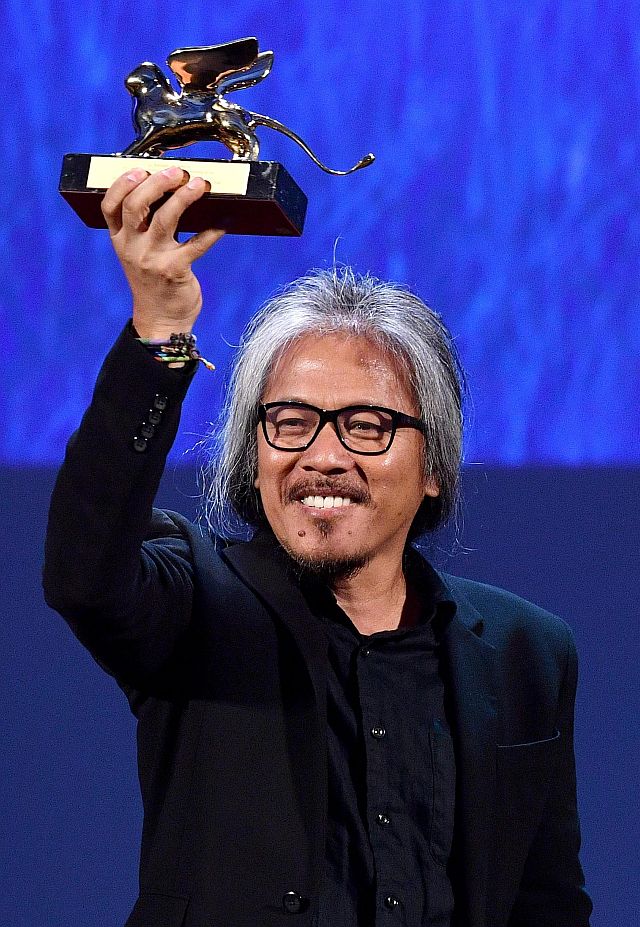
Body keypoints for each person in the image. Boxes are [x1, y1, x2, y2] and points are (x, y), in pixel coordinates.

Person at [43, 167, 593, 927]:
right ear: (253, 453)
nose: (322, 456)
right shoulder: (194, 600)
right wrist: (161, 332)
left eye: (366, 425)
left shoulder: (529, 652)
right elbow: (85, 567)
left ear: (433, 466)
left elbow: (547, 902)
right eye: (291, 421)